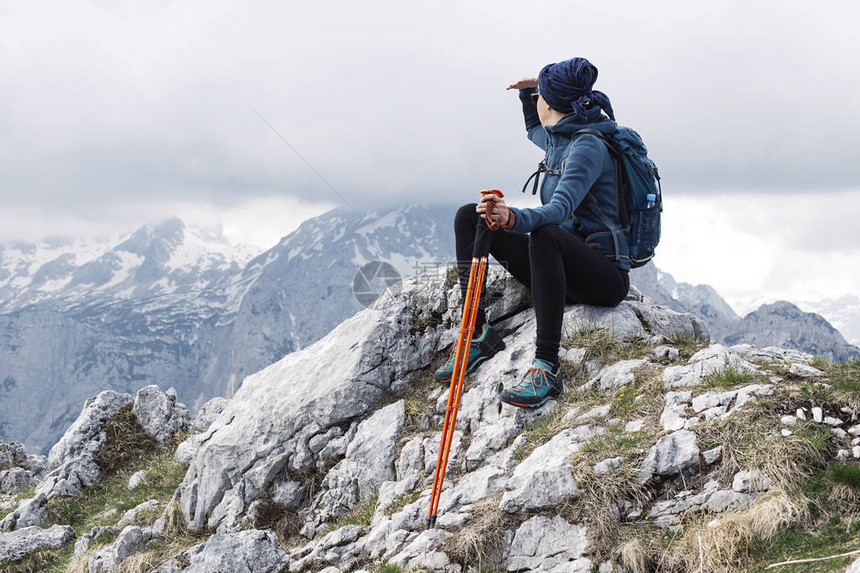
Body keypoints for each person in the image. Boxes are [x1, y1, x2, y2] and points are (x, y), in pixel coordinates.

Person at [434, 57, 631, 408]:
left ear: (552, 105)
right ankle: (477, 334)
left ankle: (547, 367)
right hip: (558, 269)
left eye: (542, 94)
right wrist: (528, 94)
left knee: (546, 232)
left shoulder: (587, 147)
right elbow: (534, 130)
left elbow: (558, 211)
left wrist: (511, 219)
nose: (538, 99)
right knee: (470, 217)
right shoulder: (562, 136)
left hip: (602, 276)